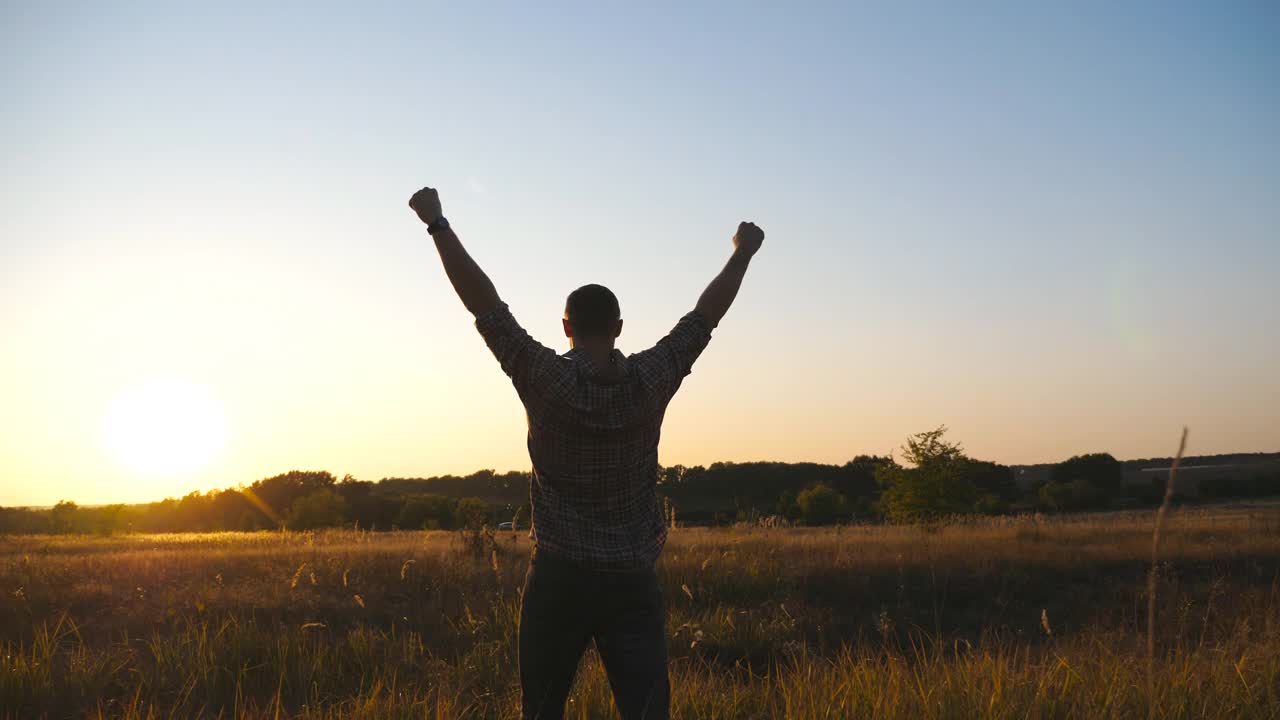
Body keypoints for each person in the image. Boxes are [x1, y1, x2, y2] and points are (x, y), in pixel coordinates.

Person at [409, 186, 764, 720]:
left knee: (543, 711)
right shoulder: (652, 377)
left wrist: (437, 223)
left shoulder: (543, 377)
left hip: (558, 580)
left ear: (567, 329)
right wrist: (742, 253)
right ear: (619, 328)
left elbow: (485, 306)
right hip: (631, 582)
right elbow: (704, 317)